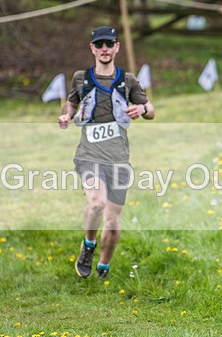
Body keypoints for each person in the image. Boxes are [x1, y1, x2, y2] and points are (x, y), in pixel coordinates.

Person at [58, 25, 155, 279]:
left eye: (109, 44)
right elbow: (71, 102)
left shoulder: (128, 80)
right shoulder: (81, 78)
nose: (104, 49)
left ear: (116, 47)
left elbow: (151, 109)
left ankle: (103, 267)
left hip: (119, 159)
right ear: (92, 48)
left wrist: (142, 110)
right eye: (99, 44)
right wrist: (67, 115)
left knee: (112, 222)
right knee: (97, 202)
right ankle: (88, 245)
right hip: (88, 154)